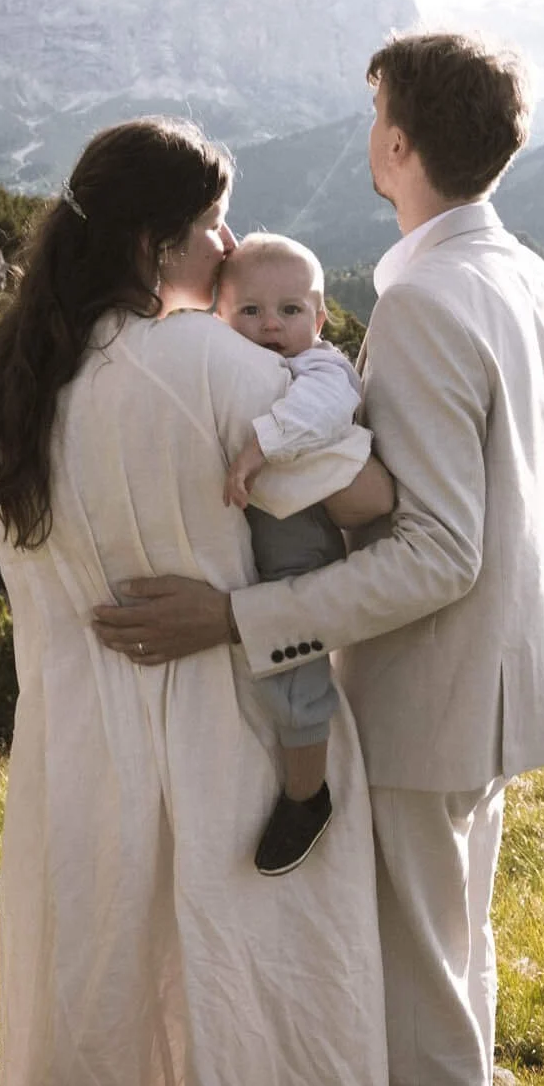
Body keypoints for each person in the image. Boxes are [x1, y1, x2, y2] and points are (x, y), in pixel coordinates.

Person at [103, 33, 544, 1086]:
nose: (368, 135)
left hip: (431, 692)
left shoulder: (423, 297)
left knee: (420, 1001)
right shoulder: (525, 273)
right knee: (456, 960)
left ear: (400, 142)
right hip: (507, 685)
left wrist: (236, 616)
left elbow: (436, 554)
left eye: (375, 116)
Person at [0, 116, 401, 1086]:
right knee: (263, 1013)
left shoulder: (10, 388)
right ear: (156, 246)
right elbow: (367, 498)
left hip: (73, 740)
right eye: (208, 222)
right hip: (227, 728)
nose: (228, 239)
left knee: (101, 1012)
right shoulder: (207, 361)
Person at [214, 230, 361, 874]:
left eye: (290, 311)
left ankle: (308, 793)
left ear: (320, 319)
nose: (271, 325)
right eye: (250, 311)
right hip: (250, 542)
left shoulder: (321, 367)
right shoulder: (227, 355)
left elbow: (327, 409)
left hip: (300, 541)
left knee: (296, 672)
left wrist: (260, 445)